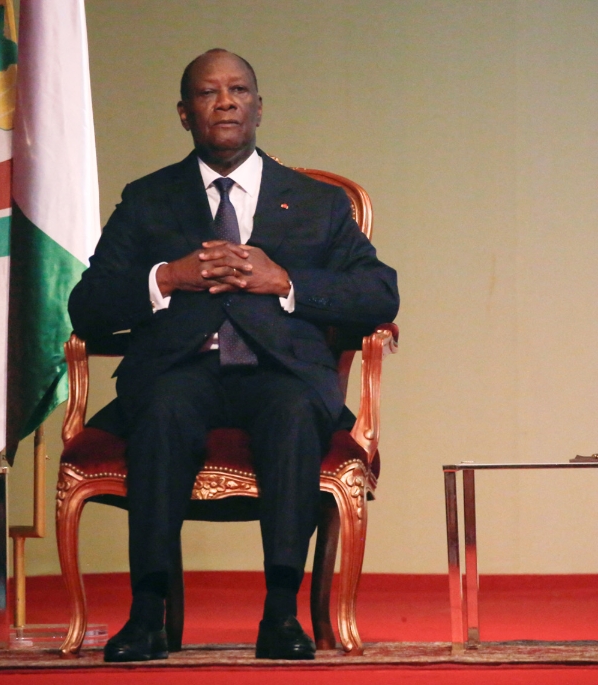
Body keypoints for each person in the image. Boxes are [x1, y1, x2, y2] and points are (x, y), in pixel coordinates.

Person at [68, 48, 399, 662]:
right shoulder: (148, 199)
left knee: (294, 412)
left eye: (239, 90)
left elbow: (380, 292)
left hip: (279, 372)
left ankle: (281, 614)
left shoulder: (317, 202)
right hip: (179, 370)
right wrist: (168, 277)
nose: (225, 102)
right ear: (184, 113)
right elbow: (87, 306)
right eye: (207, 92)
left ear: (259, 108)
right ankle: (146, 615)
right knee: (162, 410)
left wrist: (286, 281)